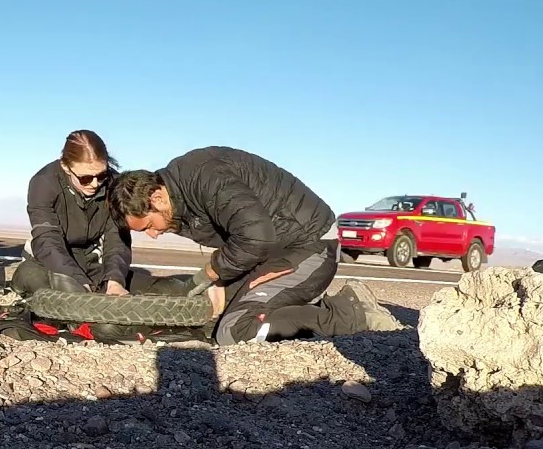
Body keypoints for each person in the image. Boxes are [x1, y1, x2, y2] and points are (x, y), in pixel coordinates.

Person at [107, 145, 402, 345]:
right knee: (208, 318)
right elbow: (239, 239)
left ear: (157, 198)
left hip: (310, 246)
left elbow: (257, 236)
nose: (153, 235)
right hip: (270, 251)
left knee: (235, 331)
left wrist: (212, 275)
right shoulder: (179, 195)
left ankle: (351, 314)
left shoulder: (204, 177)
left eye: (148, 226)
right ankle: (290, 304)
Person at [11, 130, 135, 297]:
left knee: (156, 289)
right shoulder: (43, 183)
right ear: (65, 166)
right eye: (85, 178)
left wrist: (115, 281)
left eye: (101, 175)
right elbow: (47, 238)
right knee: (34, 278)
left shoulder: (114, 184)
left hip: (94, 260)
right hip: (52, 260)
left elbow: (117, 237)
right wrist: (76, 282)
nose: (95, 184)